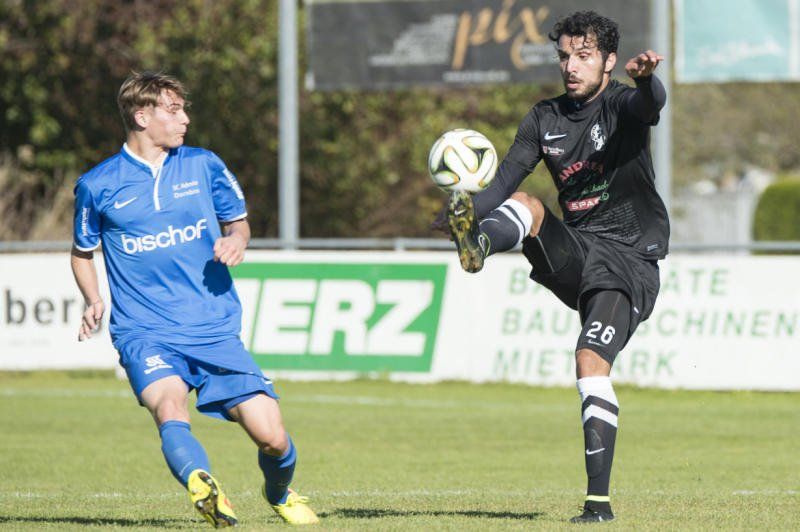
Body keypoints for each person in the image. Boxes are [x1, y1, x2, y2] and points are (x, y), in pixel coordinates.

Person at [438, 11, 669, 523]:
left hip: (629, 263)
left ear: (608, 62)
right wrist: (453, 218)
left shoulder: (621, 103)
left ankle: (598, 505)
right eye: (565, 56)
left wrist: (646, 80)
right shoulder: (543, 119)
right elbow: (500, 186)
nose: (571, 66)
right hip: (580, 252)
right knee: (526, 203)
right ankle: (478, 244)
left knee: (589, 361)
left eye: (584, 56)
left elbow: (650, 105)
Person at [70, 71, 319, 527]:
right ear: (142, 116)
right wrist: (93, 299)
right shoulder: (97, 185)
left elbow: (237, 222)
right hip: (145, 331)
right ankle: (201, 484)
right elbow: (82, 252)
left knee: (272, 437)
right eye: (173, 110)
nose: (185, 118)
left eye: (183, 109)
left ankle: (280, 494)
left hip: (213, 327)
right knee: (169, 408)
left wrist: (237, 240)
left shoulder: (204, 165)